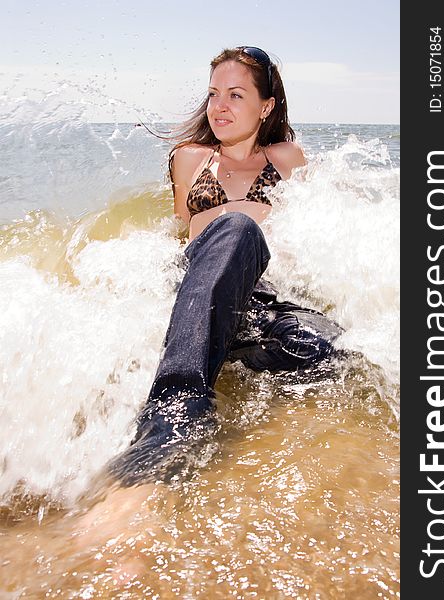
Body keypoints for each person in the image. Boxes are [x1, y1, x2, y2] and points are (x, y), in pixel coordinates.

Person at [108, 47, 343, 486]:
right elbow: (180, 235)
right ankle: (173, 422)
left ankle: (224, 351)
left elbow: (312, 233)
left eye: (236, 95)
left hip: (260, 296)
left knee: (327, 349)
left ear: (266, 106)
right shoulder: (190, 158)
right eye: (214, 93)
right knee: (236, 228)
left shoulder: (286, 159)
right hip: (200, 284)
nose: (220, 106)